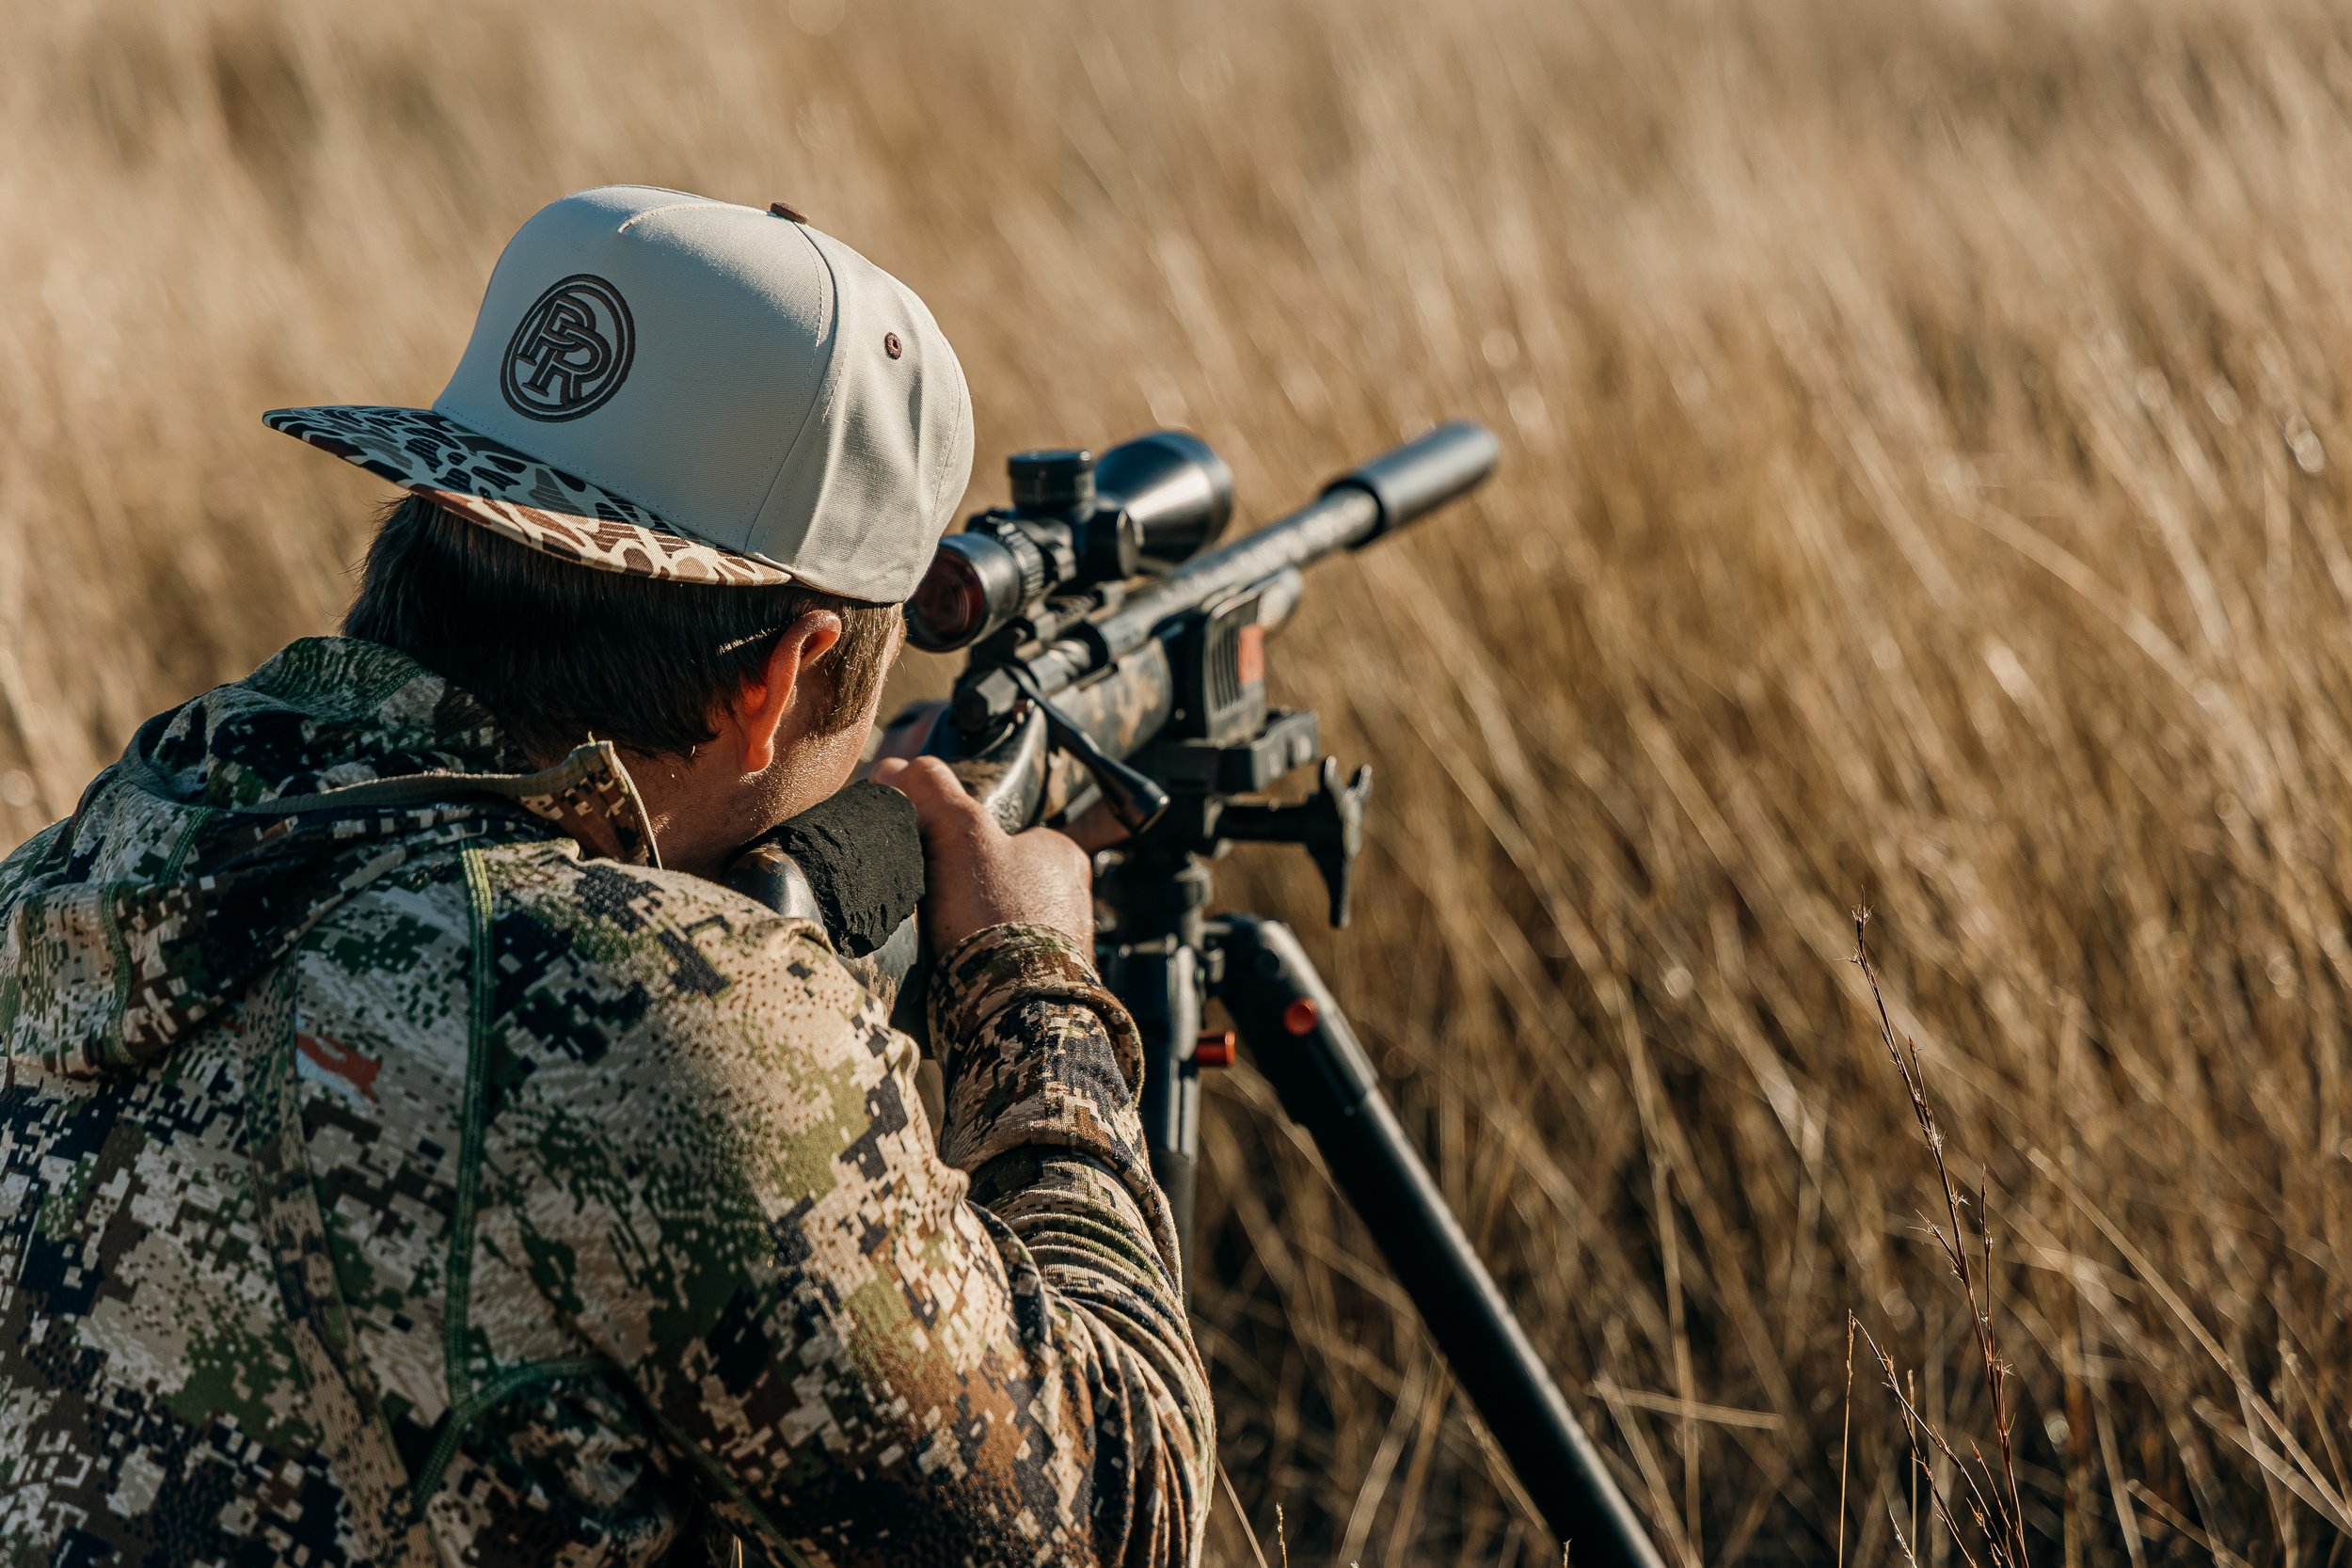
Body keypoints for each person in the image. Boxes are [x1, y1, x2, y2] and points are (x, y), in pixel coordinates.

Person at [0, 186, 1212, 1566]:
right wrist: (1031, 983)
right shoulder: (659, 1017)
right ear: (781, 677)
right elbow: (1120, 1521)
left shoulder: (103, 850)